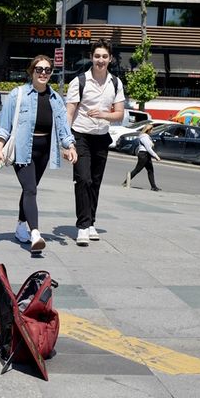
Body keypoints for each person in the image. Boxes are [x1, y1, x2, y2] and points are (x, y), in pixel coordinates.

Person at [0, 55, 77, 254]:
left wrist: (70, 146)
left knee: (29, 189)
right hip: (23, 149)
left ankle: (21, 226)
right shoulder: (17, 94)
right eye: (39, 69)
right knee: (31, 189)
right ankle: (36, 233)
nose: (43, 73)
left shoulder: (56, 99)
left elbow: (64, 128)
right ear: (31, 71)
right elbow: (5, 126)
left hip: (44, 150)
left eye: (48, 70)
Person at [65, 39, 125, 246]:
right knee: (83, 179)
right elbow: (69, 114)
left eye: (104, 57)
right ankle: (82, 226)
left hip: (101, 138)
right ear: (91, 57)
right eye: (97, 56)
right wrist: (67, 143)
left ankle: (91, 222)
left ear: (110, 59)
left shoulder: (116, 83)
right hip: (80, 136)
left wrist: (103, 115)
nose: (100, 60)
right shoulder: (79, 82)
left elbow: (119, 115)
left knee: (95, 182)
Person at [122, 123, 161, 191]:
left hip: (146, 155)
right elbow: (148, 148)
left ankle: (153, 186)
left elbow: (149, 146)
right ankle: (125, 182)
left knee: (150, 170)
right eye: (151, 129)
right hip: (144, 155)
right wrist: (156, 156)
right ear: (148, 130)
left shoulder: (146, 136)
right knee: (137, 170)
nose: (152, 130)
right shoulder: (144, 137)